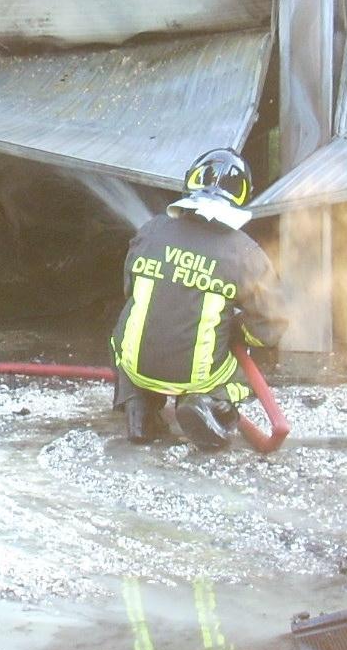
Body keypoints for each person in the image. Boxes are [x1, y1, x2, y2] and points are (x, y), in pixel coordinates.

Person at [110, 147, 287, 451]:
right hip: (199, 377)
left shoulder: (151, 230)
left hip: (135, 367)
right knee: (254, 364)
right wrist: (235, 330)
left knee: (121, 335)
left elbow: (130, 290)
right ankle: (208, 402)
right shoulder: (246, 253)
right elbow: (270, 328)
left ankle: (138, 405)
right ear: (242, 196)